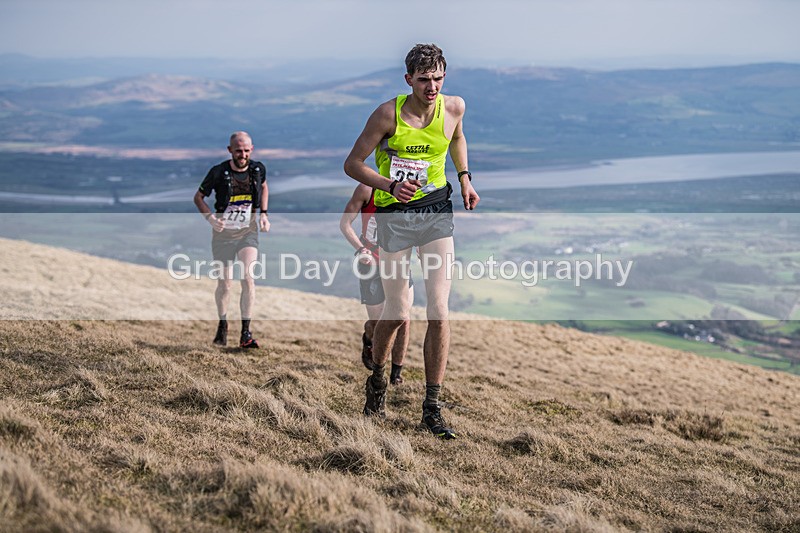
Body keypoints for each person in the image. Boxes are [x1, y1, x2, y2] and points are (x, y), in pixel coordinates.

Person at [343, 44, 480, 439]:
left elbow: (457, 139)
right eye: (424, 80)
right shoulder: (388, 114)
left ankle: (432, 407)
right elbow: (352, 164)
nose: (432, 87)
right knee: (399, 311)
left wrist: (466, 178)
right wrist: (389, 185)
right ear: (408, 80)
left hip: (436, 211)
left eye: (438, 78)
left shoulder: (454, 107)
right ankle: (378, 380)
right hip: (394, 218)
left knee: (439, 310)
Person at [193, 131, 270, 349]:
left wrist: (263, 213)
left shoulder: (257, 169)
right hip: (223, 235)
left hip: (248, 232)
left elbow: (263, 186)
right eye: (238, 150)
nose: (242, 155)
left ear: (251, 149)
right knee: (225, 284)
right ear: (230, 150)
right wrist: (210, 219)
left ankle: (246, 332)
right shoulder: (218, 172)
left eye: (246, 150)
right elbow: (198, 197)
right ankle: (223, 322)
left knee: (248, 278)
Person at [339, 183, 413, 385]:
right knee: (379, 323)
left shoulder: (410, 190)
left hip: (398, 263)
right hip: (370, 263)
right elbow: (345, 223)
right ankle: (369, 338)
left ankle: (396, 373)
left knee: (403, 319)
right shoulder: (367, 189)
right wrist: (361, 249)